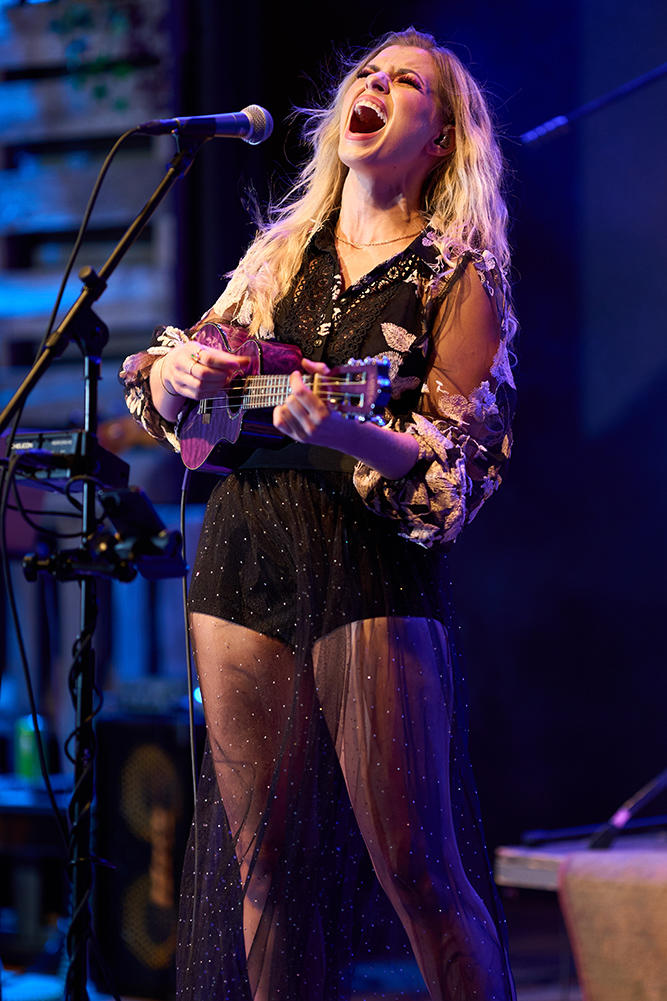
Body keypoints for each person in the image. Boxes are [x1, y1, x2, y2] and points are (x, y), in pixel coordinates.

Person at [121, 26, 517, 1001]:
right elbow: (183, 409)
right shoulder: (278, 253)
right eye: (366, 73)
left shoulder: (453, 273)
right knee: (263, 872)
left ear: (442, 138)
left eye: (406, 81)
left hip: (366, 558)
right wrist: (173, 377)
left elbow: (458, 471)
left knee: (418, 871)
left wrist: (350, 431)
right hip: (245, 547)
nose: (374, 85)